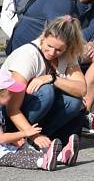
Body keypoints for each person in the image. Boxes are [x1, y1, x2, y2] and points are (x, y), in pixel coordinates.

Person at [7, 0, 94, 112]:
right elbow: (64, 39)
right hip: (33, 56)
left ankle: (82, 112)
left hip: (58, 52)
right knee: (48, 93)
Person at [1, 17, 85, 154]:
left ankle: (44, 140)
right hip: (7, 115)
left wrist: (52, 78)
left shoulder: (68, 55)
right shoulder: (27, 56)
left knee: (74, 101)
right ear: (43, 37)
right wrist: (33, 135)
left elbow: (81, 89)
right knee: (46, 92)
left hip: (30, 113)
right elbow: (12, 109)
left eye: (58, 50)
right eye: (49, 46)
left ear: (67, 48)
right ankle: (21, 137)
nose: (52, 53)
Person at [0, 69, 72, 171]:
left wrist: (13, 141)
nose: (12, 95)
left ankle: (60, 157)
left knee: (24, 150)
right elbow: (1, 138)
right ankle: (42, 162)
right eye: (10, 92)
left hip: (5, 148)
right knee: (14, 158)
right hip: (1, 154)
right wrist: (24, 133)